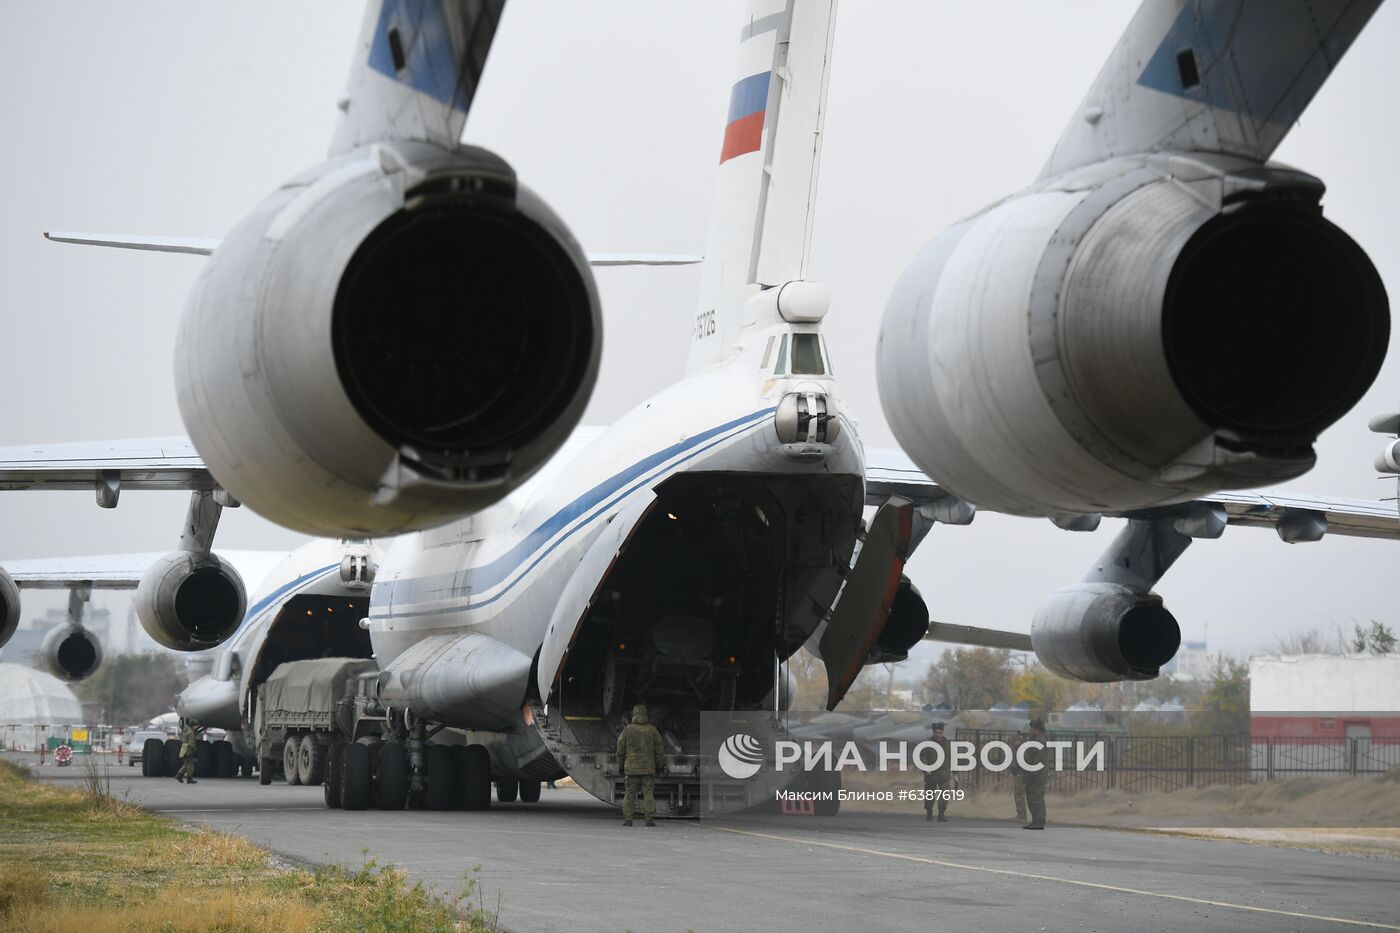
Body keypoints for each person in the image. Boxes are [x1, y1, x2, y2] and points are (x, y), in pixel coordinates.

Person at [616, 703, 664, 826]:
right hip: (648, 768)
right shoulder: (652, 730)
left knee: (629, 792)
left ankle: (628, 819)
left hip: (631, 768)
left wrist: (620, 766)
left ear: (634, 715)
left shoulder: (627, 730)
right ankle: (649, 819)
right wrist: (660, 765)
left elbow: (620, 750)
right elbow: (659, 749)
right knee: (648, 792)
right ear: (645, 714)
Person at [1022, 718, 1048, 829]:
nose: (1030, 731)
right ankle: (1035, 820)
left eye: (1032, 728)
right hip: (1031, 775)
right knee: (1031, 799)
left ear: (1036, 730)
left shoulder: (1039, 742)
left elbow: (1038, 759)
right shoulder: (1034, 741)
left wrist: (1033, 773)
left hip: (1037, 776)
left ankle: (1039, 821)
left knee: (1037, 799)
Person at [923, 721, 952, 822]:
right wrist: (926, 768)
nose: (938, 734)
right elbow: (923, 757)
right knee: (929, 794)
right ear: (933, 733)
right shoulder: (927, 744)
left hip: (944, 774)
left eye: (940, 732)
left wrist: (955, 772)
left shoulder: (948, 744)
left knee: (945, 794)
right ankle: (929, 811)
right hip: (931, 774)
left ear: (943, 732)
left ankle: (941, 814)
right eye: (936, 732)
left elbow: (952, 758)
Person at [177, 718, 203, 784]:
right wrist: (195, 750)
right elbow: (191, 744)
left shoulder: (185, 731)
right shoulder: (191, 733)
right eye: (196, 726)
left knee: (186, 764)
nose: (197, 727)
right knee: (191, 766)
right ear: (193, 725)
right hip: (189, 751)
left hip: (184, 749)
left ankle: (179, 775)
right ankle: (189, 779)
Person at [1008, 733, 1028, 822]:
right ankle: (1020, 813)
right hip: (1018, 774)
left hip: (1021, 774)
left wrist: (1016, 769)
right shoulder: (1015, 750)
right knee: (1018, 795)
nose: (1013, 743)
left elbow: (1022, 763)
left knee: (1019, 795)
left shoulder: (1021, 750)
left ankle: (1022, 814)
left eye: (1014, 741)